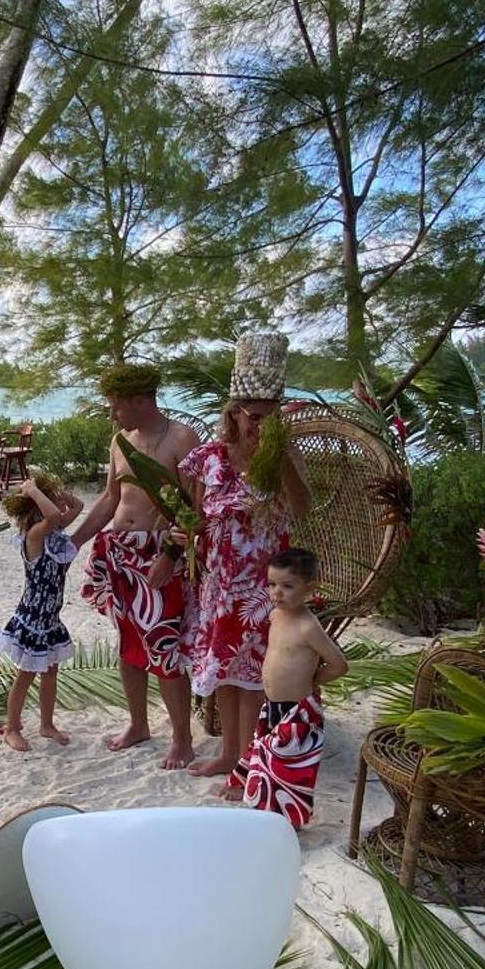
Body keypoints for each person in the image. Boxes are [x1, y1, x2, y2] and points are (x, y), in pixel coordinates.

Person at [180, 333, 311, 779]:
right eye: (252, 416)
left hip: (263, 587)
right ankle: (229, 753)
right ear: (233, 413)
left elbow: (302, 507)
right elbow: (195, 515)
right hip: (219, 584)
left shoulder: (282, 457)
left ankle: (246, 762)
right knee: (225, 672)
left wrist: (282, 452)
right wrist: (184, 537)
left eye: (267, 418)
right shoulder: (210, 459)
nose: (257, 425)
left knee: (254, 676)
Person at [73, 363, 201, 767]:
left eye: (117, 406)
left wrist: (170, 557)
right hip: (120, 552)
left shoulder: (182, 439)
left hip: (161, 552)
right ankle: (139, 724)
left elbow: (194, 507)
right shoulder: (120, 441)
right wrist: (74, 541)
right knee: (128, 643)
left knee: (163, 647)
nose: (114, 414)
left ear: (141, 400)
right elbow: (111, 500)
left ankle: (182, 738)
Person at [218, 547, 347, 827]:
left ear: (309, 588)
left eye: (287, 586)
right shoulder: (277, 615)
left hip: (298, 710)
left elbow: (339, 664)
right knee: (264, 749)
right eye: (272, 584)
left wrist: (312, 681)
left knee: (288, 766)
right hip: (273, 703)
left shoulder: (308, 627)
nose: (277, 593)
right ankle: (251, 790)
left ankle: (285, 818)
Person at [0, 473, 82, 750]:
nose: (57, 507)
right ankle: (11, 727)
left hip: (50, 620)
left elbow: (79, 507)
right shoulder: (34, 535)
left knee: (50, 673)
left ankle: (47, 724)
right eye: (49, 502)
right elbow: (53, 515)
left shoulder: (55, 535)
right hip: (32, 620)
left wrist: (61, 495)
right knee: (25, 675)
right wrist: (33, 490)